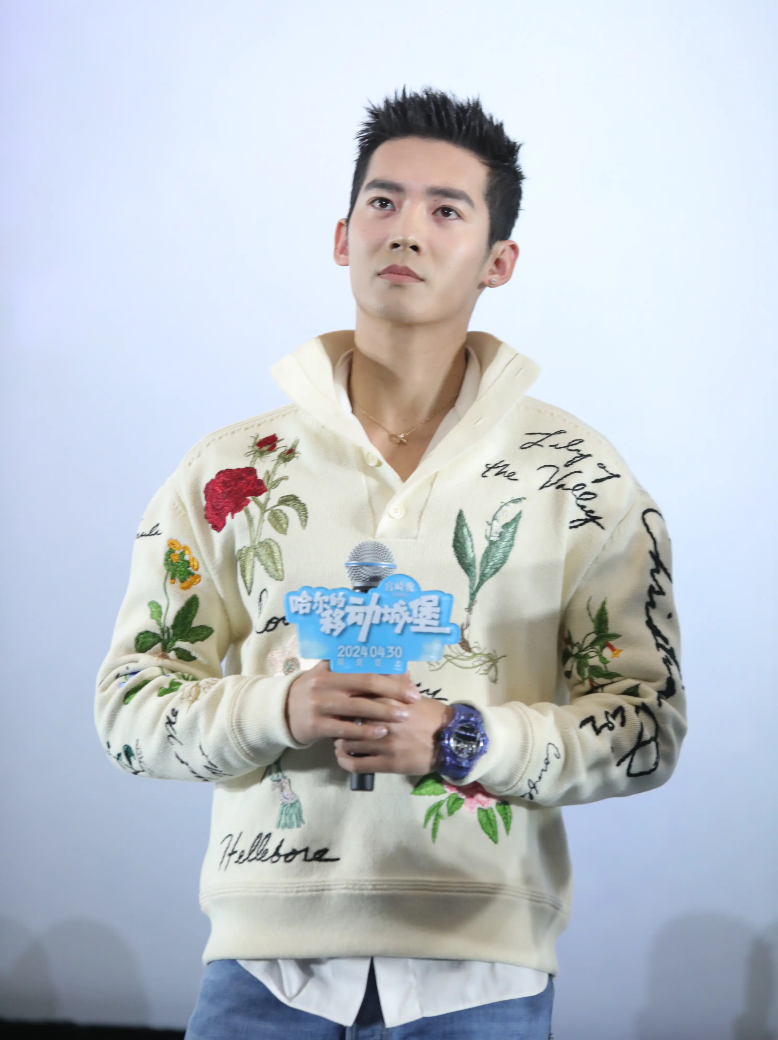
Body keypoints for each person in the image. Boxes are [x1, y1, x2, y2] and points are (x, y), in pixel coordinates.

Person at [96, 89, 686, 1039]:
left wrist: (463, 738)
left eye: (446, 209)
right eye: (383, 201)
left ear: (499, 261)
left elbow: (646, 725)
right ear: (342, 237)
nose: (405, 229)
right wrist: (278, 708)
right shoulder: (227, 471)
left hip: (481, 976)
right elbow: (128, 706)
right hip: (261, 972)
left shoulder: (580, 479)